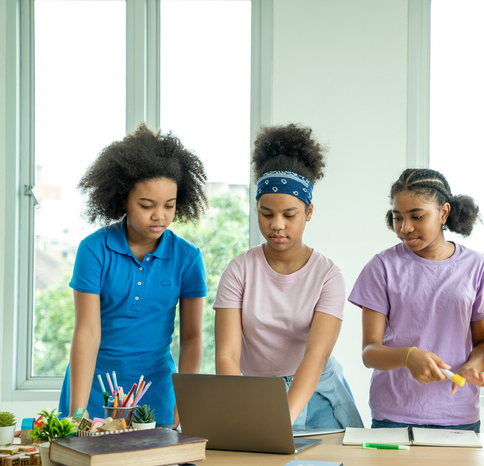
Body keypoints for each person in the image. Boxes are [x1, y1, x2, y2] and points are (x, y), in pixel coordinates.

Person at [214, 123, 363, 429]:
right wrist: (237, 406)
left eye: (289, 215)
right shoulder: (239, 270)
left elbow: (316, 354)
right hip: (258, 391)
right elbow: (227, 355)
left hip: (318, 392)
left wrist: (282, 419)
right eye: (266, 214)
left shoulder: (327, 275)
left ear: (309, 211)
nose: (276, 225)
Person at [59, 124, 208, 428]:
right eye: (146, 205)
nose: (160, 216)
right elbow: (87, 332)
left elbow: (192, 337)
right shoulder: (94, 250)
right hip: (92, 391)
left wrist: (186, 399)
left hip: (157, 394)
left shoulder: (188, 258)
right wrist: (77, 411)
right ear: (123, 199)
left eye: (170, 205)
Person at [348, 168, 484, 432]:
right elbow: (369, 352)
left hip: (458, 416)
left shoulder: (476, 267)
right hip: (394, 415)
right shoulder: (382, 266)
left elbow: (483, 344)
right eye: (397, 217)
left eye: (417, 216)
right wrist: (407, 357)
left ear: (443, 212)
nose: (405, 228)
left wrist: (472, 368)